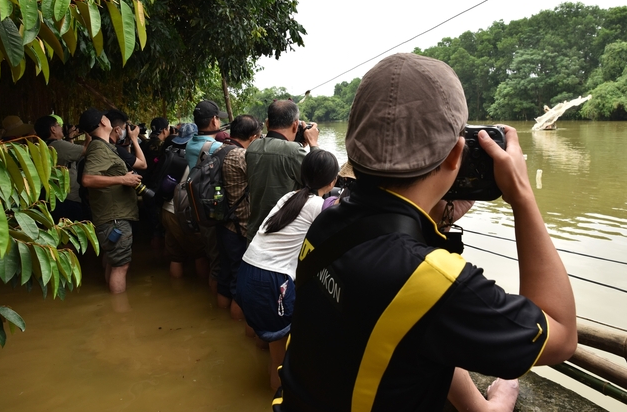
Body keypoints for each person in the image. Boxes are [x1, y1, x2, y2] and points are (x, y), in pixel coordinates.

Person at [275, 54, 577, 411]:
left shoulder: (326, 223)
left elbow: (405, 332)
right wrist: (522, 196)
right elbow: (560, 334)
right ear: (456, 154)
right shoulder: (432, 282)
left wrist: (439, 219)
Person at [236, 150, 339, 392]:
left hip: (247, 270)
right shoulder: (316, 205)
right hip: (270, 280)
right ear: (332, 181)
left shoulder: (290, 197)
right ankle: (278, 400)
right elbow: (338, 220)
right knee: (280, 362)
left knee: (270, 338)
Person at [79, 108, 142, 294]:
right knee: (120, 266)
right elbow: (87, 179)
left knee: (113, 262)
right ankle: (120, 316)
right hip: (114, 219)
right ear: (103, 123)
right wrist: (123, 180)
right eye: (106, 117)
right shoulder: (98, 147)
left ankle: (112, 311)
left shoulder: (105, 146)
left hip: (110, 217)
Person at [245, 100, 320, 243]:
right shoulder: (293, 152)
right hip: (281, 235)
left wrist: (297, 144)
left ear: (267, 124)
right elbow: (320, 179)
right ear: (295, 125)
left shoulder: (253, 147)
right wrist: (313, 143)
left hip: (255, 232)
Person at [216, 115, 263, 315]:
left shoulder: (219, 149)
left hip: (223, 221)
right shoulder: (241, 156)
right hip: (239, 226)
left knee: (224, 278)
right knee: (239, 283)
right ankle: (235, 326)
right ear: (253, 137)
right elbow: (259, 179)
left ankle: (219, 319)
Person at [185, 100, 228, 296]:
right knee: (218, 262)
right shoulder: (217, 147)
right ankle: (215, 304)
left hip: (197, 205)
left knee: (210, 255)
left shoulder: (190, 143)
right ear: (214, 120)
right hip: (213, 206)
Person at [160, 123, 209, 279]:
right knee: (199, 254)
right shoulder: (192, 159)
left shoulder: (169, 154)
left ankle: (176, 292)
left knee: (176, 256)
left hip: (166, 209)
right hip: (182, 213)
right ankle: (201, 292)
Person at [34, 115, 90, 221]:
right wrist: (89, 133)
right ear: (53, 129)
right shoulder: (58, 145)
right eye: (58, 125)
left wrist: (70, 137)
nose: (61, 128)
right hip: (68, 199)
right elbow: (87, 150)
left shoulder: (42, 145)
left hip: (55, 198)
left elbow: (69, 155)